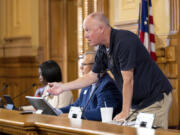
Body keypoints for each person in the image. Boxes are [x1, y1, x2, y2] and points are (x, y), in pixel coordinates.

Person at [48, 12, 172, 129]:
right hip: (136, 104)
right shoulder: (102, 49)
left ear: (101, 28)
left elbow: (128, 79)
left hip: (155, 99)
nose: (85, 35)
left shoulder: (124, 41)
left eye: (87, 30)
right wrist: (63, 87)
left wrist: (124, 112)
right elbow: (92, 76)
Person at [59, 51, 122, 121]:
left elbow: (101, 113)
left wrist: (74, 114)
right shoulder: (87, 83)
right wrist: (58, 111)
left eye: (83, 64)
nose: (81, 68)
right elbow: (77, 105)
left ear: (95, 66)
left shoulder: (107, 84)